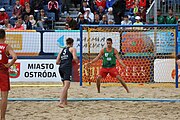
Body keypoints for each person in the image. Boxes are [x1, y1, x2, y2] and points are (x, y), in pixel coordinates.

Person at [56, 38, 78, 108]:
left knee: (65, 85)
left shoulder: (62, 50)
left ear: (66, 43)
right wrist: (77, 61)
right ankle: (61, 102)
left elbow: (57, 62)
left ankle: (65, 102)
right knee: (66, 86)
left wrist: (64, 62)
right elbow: (74, 58)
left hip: (61, 67)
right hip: (67, 68)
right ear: (72, 43)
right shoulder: (72, 49)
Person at [0, 29, 17, 120]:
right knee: (4, 97)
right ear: (5, 37)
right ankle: (2, 117)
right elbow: (15, 57)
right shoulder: (6, 47)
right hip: (3, 73)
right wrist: (9, 65)